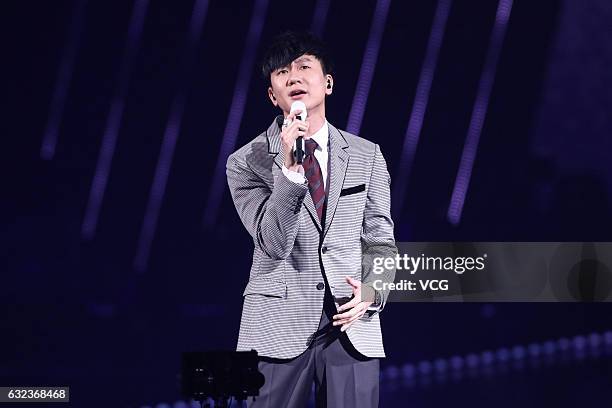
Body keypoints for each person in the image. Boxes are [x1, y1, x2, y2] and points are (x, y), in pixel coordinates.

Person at [226, 31, 397, 407]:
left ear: (328, 83)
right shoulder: (246, 162)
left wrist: (374, 291)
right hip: (276, 323)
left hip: (352, 323)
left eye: (305, 66)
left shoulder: (367, 155)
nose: (294, 77)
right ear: (273, 95)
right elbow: (272, 243)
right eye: (282, 72)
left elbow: (381, 237)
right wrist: (288, 170)